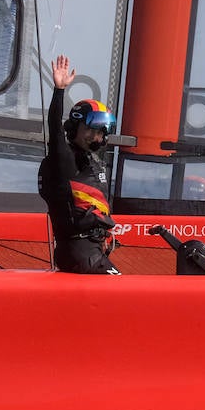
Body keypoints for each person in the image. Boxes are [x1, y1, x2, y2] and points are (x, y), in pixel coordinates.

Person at [38, 55, 120, 274]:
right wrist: (59, 90)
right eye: (91, 129)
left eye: (102, 131)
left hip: (93, 250)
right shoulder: (64, 159)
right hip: (80, 252)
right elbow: (54, 130)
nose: (98, 136)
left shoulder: (91, 160)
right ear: (75, 129)